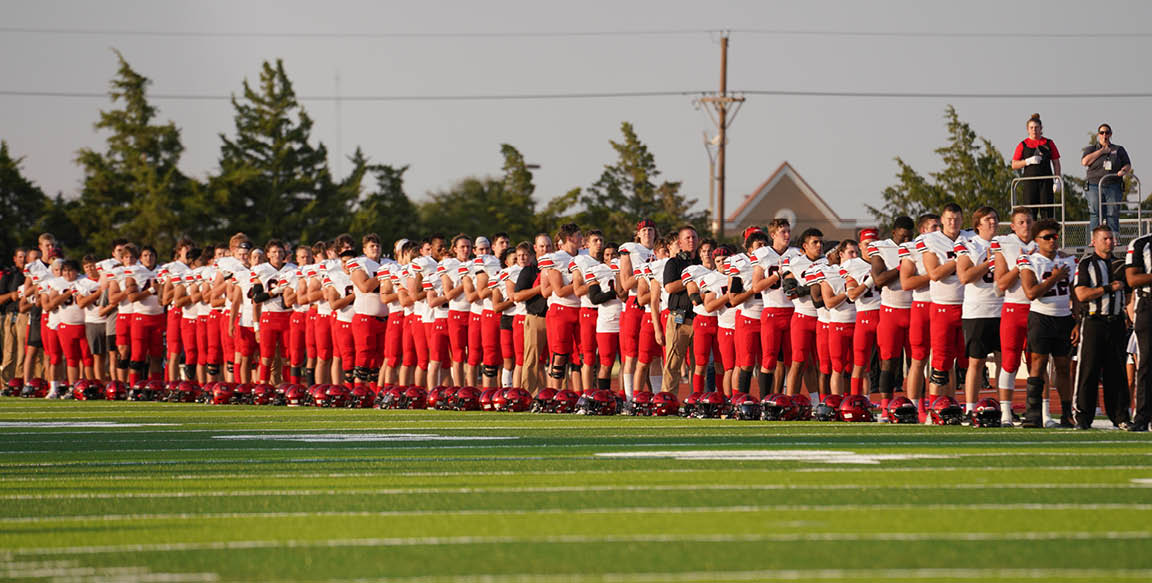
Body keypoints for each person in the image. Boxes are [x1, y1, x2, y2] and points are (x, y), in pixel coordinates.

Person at [1019, 219, 1077, 428]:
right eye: (1047, 237)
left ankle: (1067, 413)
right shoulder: (1029, 261)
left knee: (1063, 367)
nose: (1052, 241)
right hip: (1041, 317)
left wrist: (1077, 320)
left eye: (1055, 236)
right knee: (1038, 363)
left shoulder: (1068, 260)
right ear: (1036, 240)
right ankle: (1033, 414)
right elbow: (1031, 292)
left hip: (1063, 317)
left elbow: (1075, 294)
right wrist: (1054, 278)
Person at [1073, 226, 1130, 429]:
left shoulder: (1120, 265)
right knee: (1088, 370)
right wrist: (1107, 288)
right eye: (1105, 238)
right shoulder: (1087, 264)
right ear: (1094, 241)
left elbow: (1129, 294)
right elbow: (1081, 294)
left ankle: (1121, 416)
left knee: (1117, 372)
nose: (1110, 242)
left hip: (1115, 322)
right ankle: (1082, 417)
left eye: (1112, 238)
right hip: (1094, 321)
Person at [955, 207, 1003, 418]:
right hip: (978, 310)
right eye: (987, 219)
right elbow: (965, 276)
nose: (992, 222)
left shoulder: (1006, 244)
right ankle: (971, 408)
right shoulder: (967, 245)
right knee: (976, 361)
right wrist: (989, 263)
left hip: (1003, 309)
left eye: (994, 218)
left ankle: (1005, 409)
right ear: (978, 224)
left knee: (1005, 362)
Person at [993, 207, 1036, 426]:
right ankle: (1005, 413)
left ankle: (1040, 412)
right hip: (1013, 308)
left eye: (1028, 221)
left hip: (1038, 309)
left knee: (1037, 363)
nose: (1026, 226)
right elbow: (999, 286)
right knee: (1009, 363)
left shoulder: (1042, 243)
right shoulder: (1005, 245)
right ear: (1012, 226)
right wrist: (1020, 266)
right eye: (1021, 222)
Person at [869, 217, 914, 420]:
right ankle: (886, 408)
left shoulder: (916, 247)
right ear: (894, 232)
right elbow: (879, 279)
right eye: (902, 235)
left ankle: (916, 405)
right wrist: (901, 267)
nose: (905, 239)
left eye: (909, 236)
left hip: (914, 309)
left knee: (917, 361)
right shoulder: (880, 248)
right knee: (889, 362)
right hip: (891, 311)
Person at [660, 225, 700, 393]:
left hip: (700, 318)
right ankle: (668, 399)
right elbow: (669, 287)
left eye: (694, 237)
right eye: (687, 238)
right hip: (680, 318)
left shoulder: (702, 261)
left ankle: (696, 399)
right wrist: (690, 279)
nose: (691, 241)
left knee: (699, 365)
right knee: (673, 363)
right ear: (680, 243)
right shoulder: (674, 262)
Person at [1082, 123, 1133, 234]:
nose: (1104, 135)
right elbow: (1085, 162)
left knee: (1112, 212)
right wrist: (1102, 151)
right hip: (1094, 185)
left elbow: (1128, 164)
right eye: (1102, 132)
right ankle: (1094, 237)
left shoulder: (1118, 149)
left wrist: (1123, 171)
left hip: (1113, 184)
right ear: (1098, 134)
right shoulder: (1091, 149)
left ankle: (1113, 237)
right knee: (1095, 212)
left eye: (1107, 132)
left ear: (1110, 134)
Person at [1124, 227, 1152, 431]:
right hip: (1148, 303)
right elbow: (1132, 279)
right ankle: (1142, 417)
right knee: (1146, 363)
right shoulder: (1141, 244)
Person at [1011, 113, 1062, 218]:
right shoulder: (1023, 144)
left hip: (1046, 181)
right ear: (1028, 129)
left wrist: (1057, 180)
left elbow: (1056, 162)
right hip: (1030, 182)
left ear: (1041, 128)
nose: (1034, 130)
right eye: (1031, 127)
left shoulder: (1049, 143)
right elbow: (1014, 164)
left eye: (1036, 127)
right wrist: (1028, 161)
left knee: (1047, 212)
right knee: (1030, 212)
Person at [0, 248, 28, 384]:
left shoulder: (33, 275)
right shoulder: (8, 275)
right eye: (20, 257)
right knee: (9, 352)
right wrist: (11, 296)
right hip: (10, 315)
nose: (23, 260)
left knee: (23, 353)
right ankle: (6, 384)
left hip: (26, 315)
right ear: (15, 259)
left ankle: (20, 382)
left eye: (25, 257)